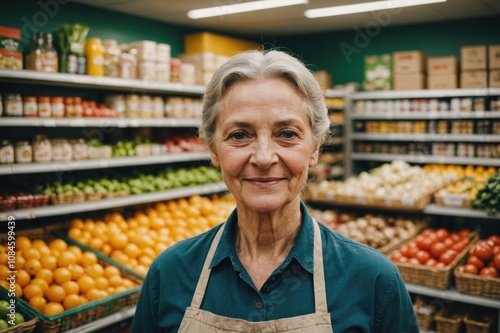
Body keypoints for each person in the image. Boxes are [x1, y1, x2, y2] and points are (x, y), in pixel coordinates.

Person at [131, 49, 419, 333]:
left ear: (315, 147)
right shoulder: (168, 275)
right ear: (213, 151)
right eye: (240, 135)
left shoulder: (374, 280)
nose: (264, 157)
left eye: (287, 134)